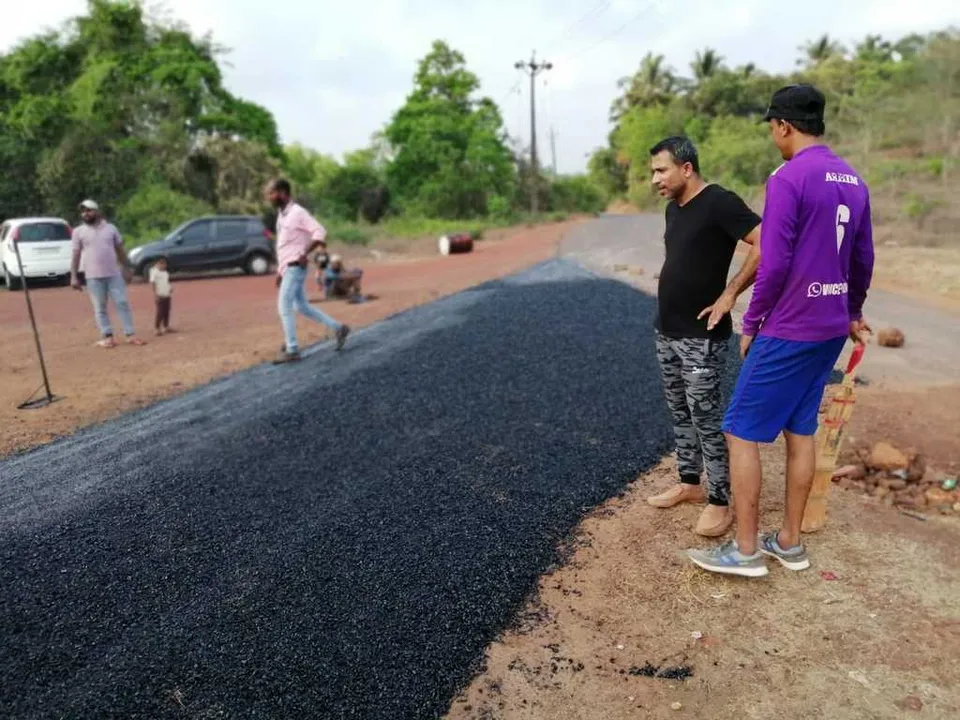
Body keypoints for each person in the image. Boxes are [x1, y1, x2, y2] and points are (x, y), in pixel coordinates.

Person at [688, 84, 874, 578]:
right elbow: (863, 258)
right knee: (800, 427)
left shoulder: (789, 177)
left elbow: (773, 260)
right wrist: (852, 311)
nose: (774, 136)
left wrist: (752, 321)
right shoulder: (853, 179)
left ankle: (746, 550)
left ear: (784, 126)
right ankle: (789, 542)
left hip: (790, 327)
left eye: (773, 128)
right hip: (829, 327)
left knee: (739, 430)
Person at [646, 136, 762, 537]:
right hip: (667, 329)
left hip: (702, 335)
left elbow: (765, 242)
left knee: (705, 417)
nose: (655, 179)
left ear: (686, 168)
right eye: (653, 172)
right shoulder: (672, 209)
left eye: (661, 170)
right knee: (680, 411)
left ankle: (719, 501)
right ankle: (691, 483)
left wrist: (730, 294)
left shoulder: (719, 202)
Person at [266, 178, 350, 364]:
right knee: (301, 306)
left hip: (295, 267)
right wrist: (280, 271)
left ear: (282, 193)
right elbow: (286, 245)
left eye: (271, 193)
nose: (268, 197)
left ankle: (292, 349)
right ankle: (339, 328)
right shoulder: (282, 215)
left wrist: (305, 253)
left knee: (284, 306)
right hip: (288, 268)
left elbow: (320, 232)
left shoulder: (298, 212)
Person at [70, 199, 146, 348]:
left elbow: (120, 250)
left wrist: (127, 268)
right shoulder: (78, 232)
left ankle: (130, 335)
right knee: (100, 307)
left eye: (89, 210)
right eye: (83, 211)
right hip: (92, 276)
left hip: (113, 274)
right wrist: (73, 276)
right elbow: (76, 255)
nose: (85, 214)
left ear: (97, 211)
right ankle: (107, 337)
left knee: (122, 303)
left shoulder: (111, 229)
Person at [149, 256, 173, 336]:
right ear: (157, 264)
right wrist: (155, 294)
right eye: (161, 264)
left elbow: (167, 282)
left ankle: (166, 326)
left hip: (167, 294)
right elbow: (153, 283)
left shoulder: (165, 273)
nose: (164, 266)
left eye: (165, 264)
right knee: (160, 312)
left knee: (166, 311)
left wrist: (170, 287)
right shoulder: (154, 272)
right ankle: (157, 328)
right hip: (160, 295)